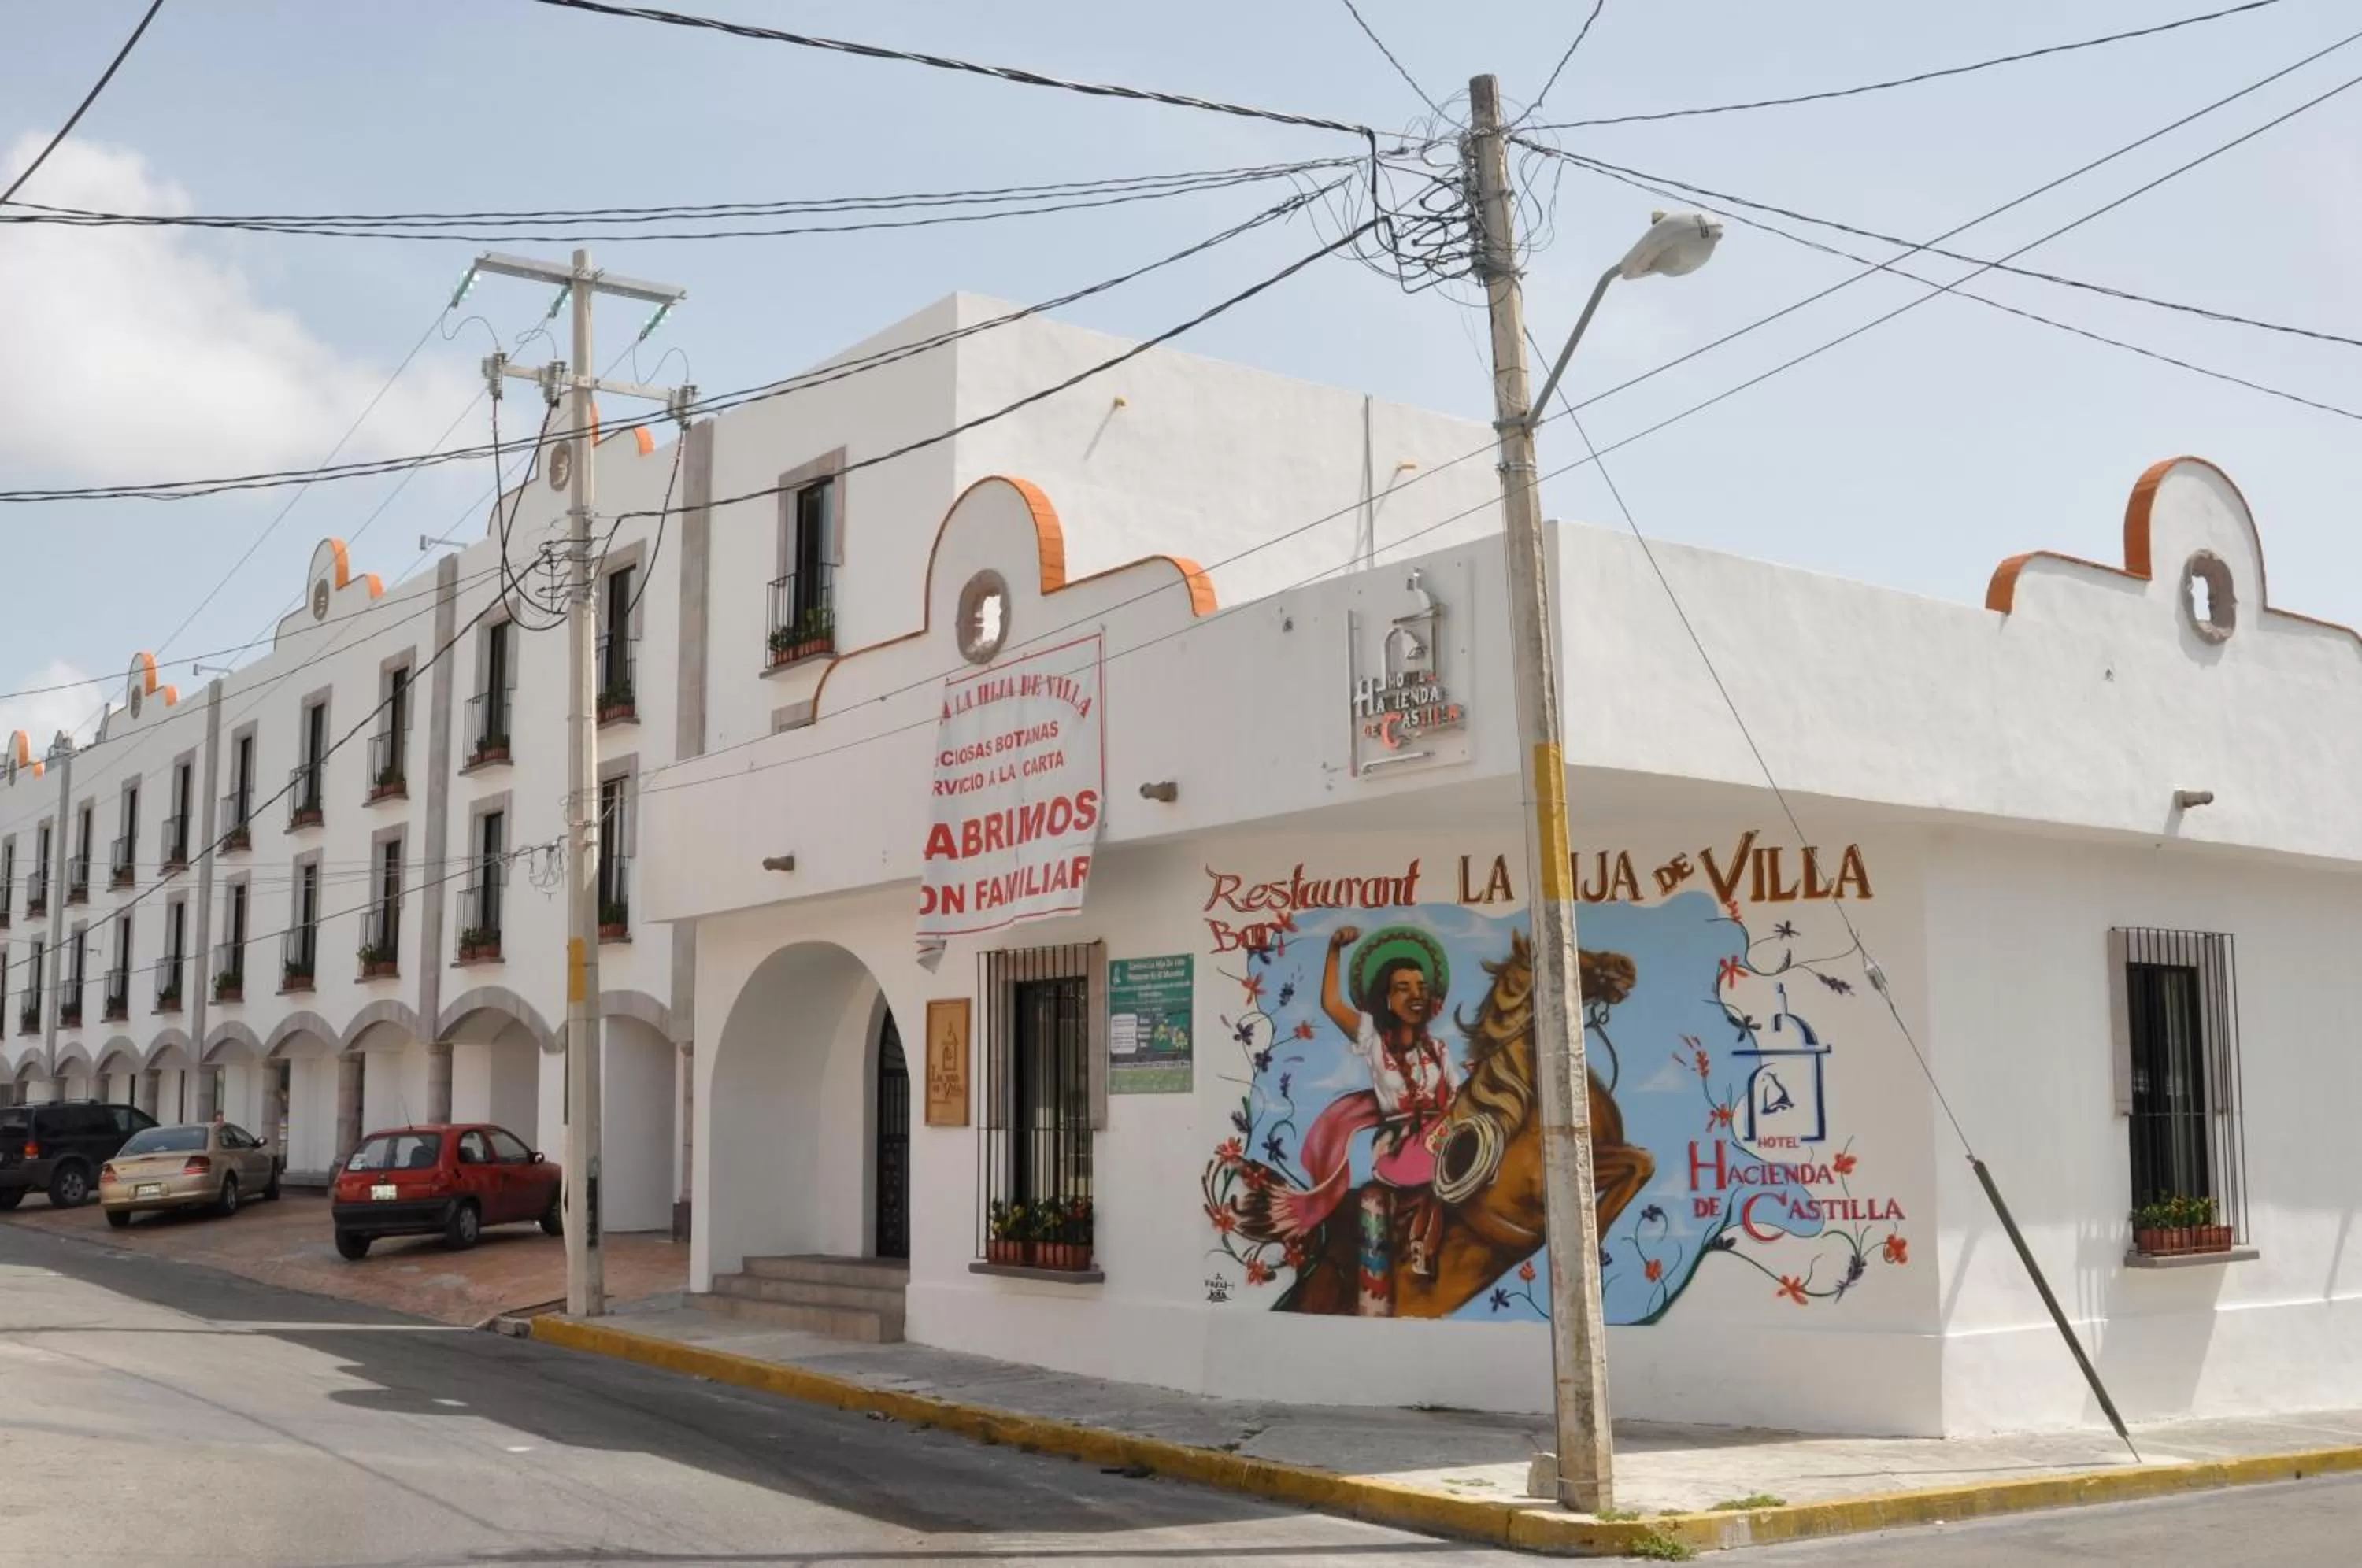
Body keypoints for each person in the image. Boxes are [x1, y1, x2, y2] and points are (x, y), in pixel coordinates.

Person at [1321, 923, 1457, 1276]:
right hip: (1397, 1146)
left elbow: (1457, 1099)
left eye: (1421, 987)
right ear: (1387, 999)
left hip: (1443, 1137)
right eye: (1403, 988)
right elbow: (1332, 1004)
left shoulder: (1439, 1049)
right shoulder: (1373, 1039)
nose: (1415, 994)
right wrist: (1335, 951)